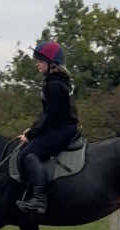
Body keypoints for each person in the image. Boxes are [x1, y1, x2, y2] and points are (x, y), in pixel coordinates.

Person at [16, 40, 79, 214]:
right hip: (61, 127)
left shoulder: (54, 85)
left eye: (40, 61)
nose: (37, 64)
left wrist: (31, 134)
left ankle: (38, 199)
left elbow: (51, 117)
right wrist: (31, 130)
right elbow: (46, 114)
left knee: (29, 154)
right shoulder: (55, 81)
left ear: (51, 64)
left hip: (62, 129)